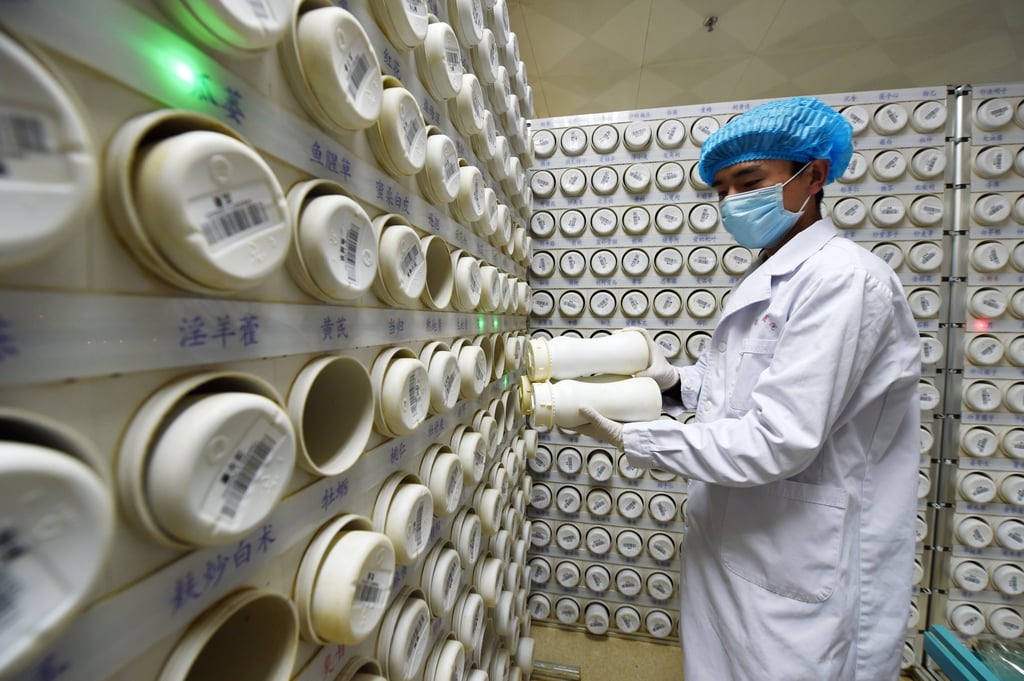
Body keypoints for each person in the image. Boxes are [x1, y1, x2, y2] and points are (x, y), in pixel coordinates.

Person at [576, 96, 921, 681]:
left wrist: (640, 438)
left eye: (750, 182)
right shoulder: (771, 274)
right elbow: (740, 390)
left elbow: (779, 437)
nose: (733, 200)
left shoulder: (844, 280)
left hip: (798, 563)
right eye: (722, 189)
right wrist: (674, 384)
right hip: (739, 542)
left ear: (813, 175)